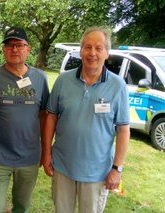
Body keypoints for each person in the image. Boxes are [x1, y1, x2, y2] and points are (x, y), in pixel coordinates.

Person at [42, 26, 130, 213]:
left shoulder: (118, 86)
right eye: (87, 47)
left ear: (107, 53)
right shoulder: (63, 81)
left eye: (98, 48)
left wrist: (117, 168)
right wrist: (47, 153)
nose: (92, 53)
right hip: (63, 166)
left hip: (97, 173)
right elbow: (51, 117)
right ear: (80, 51)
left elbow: (123, 129)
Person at [0, 26, 50, 213]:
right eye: (9, 46)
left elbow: (44, 116)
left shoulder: (40, 78)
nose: (14, 49)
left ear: (28, 48)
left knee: (22, 207)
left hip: (29, 158)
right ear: (3, 50)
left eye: (19, 45)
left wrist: (45, 151)